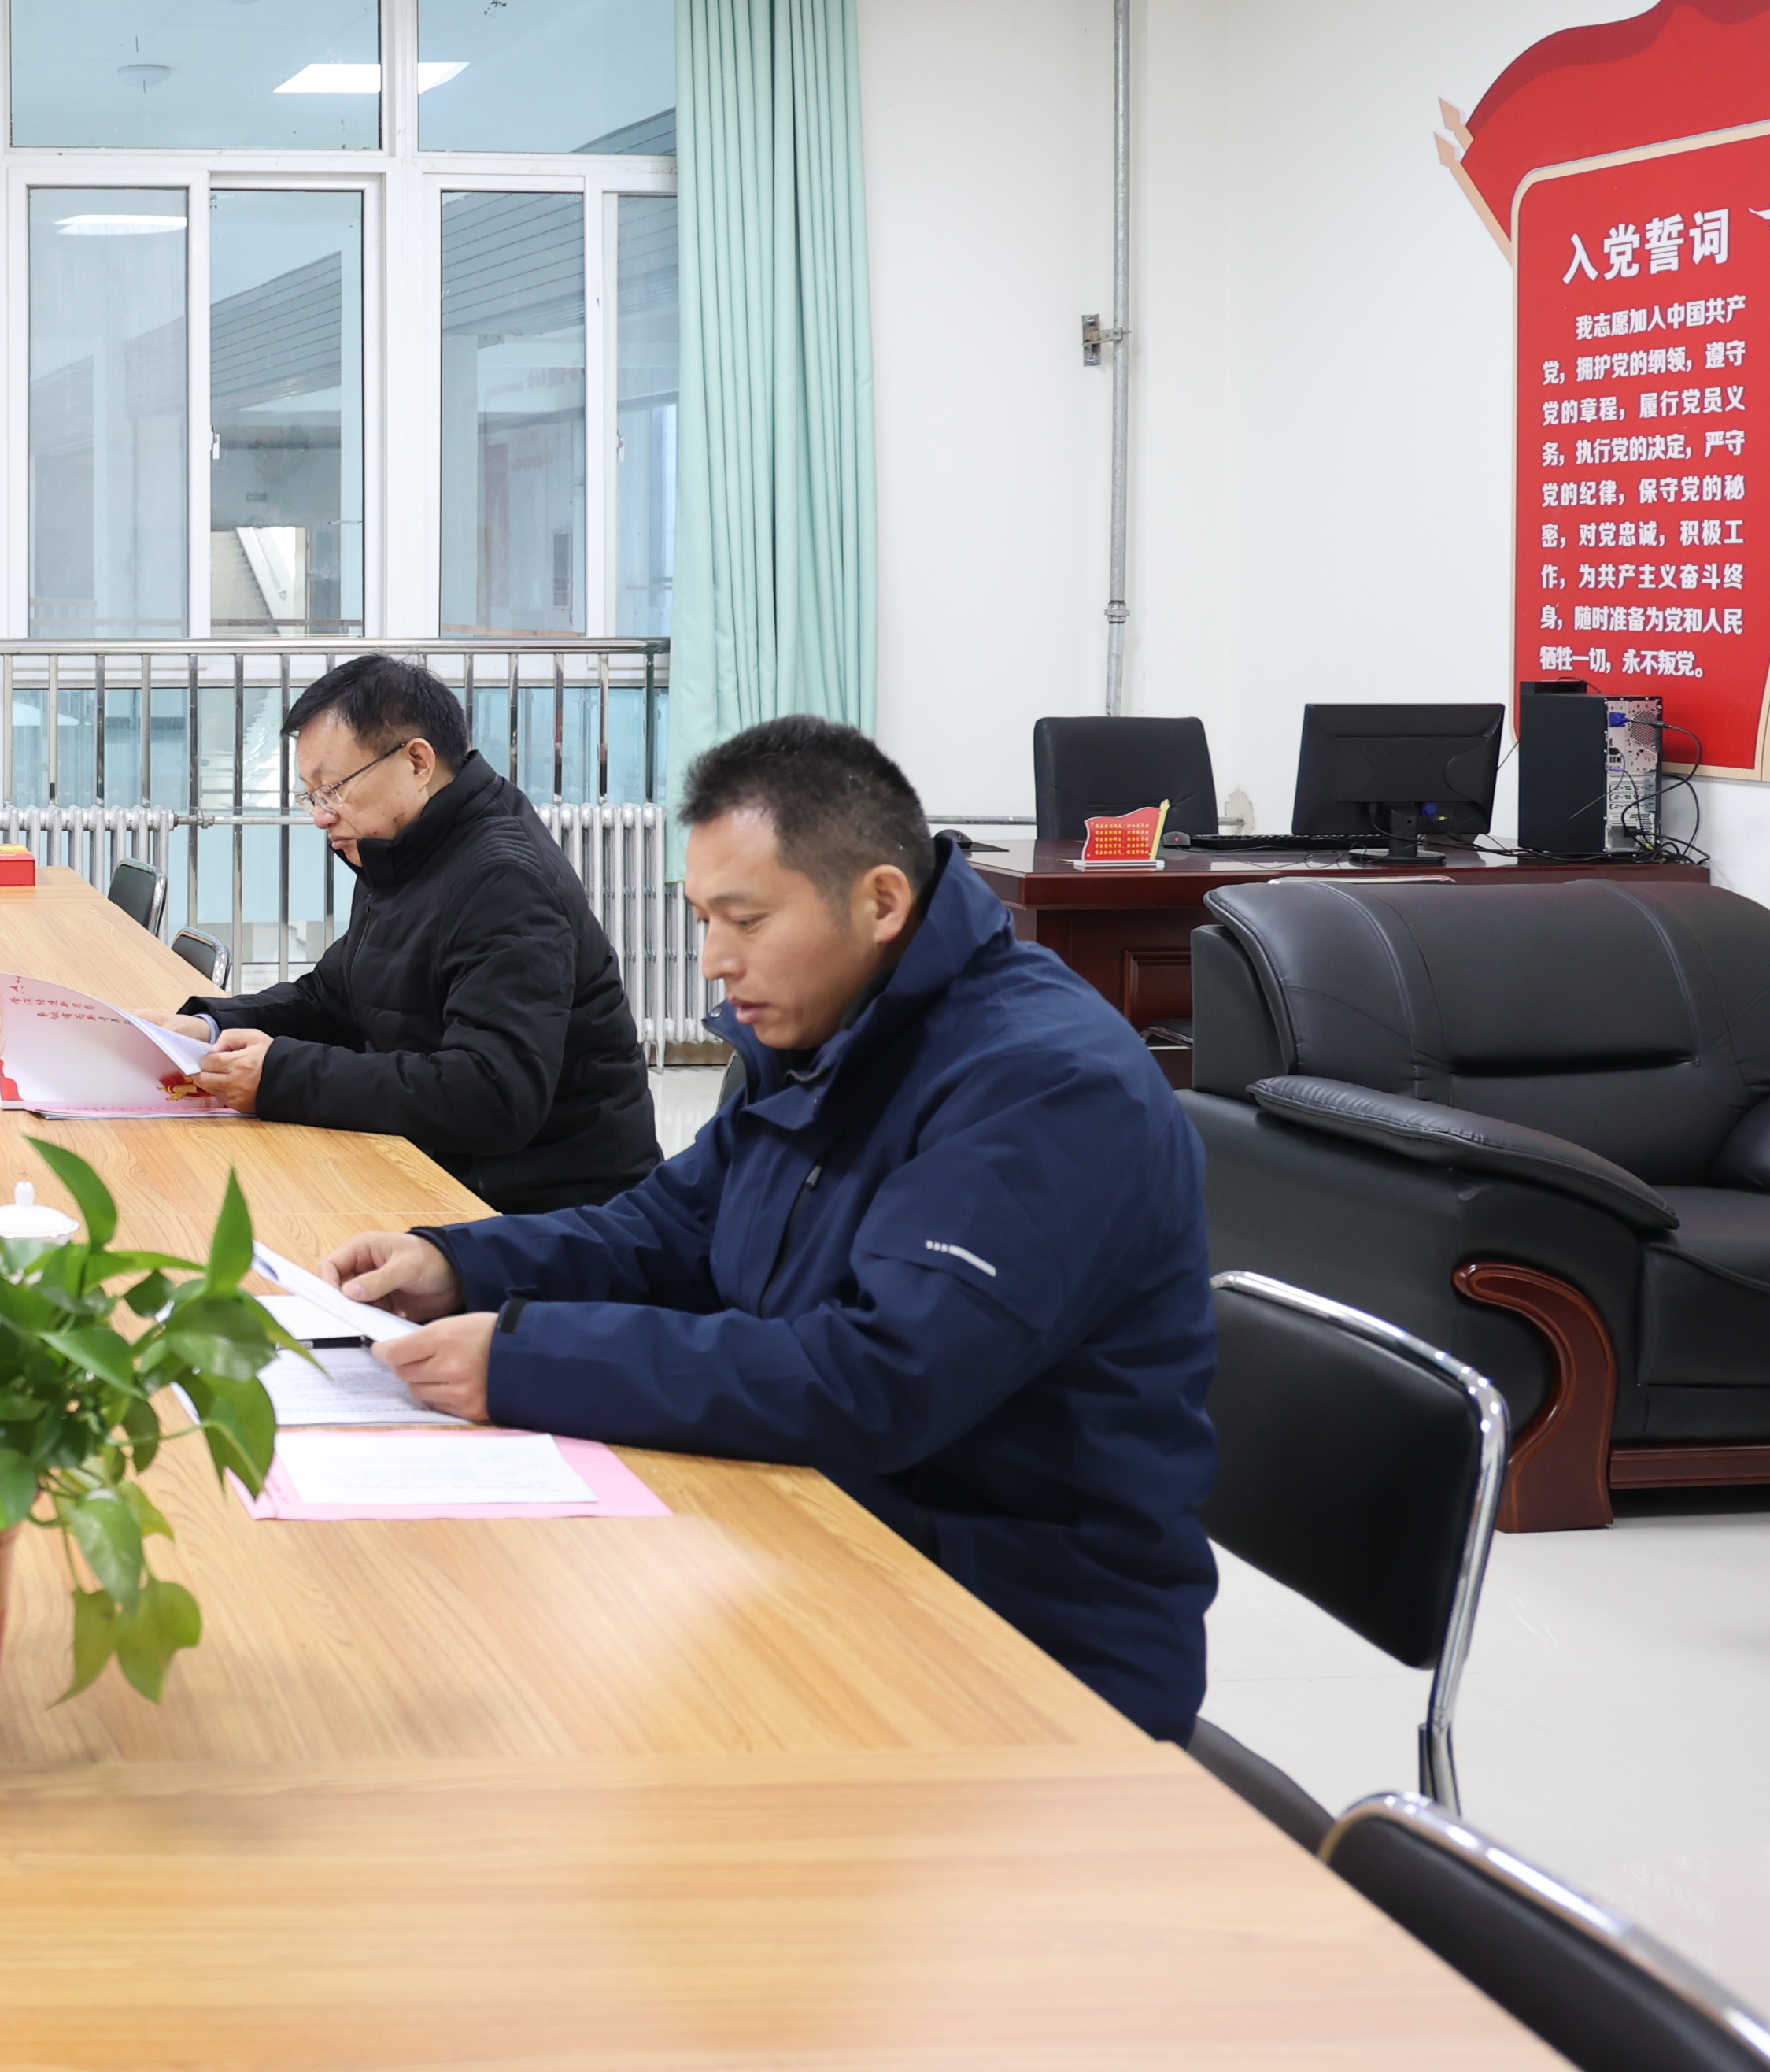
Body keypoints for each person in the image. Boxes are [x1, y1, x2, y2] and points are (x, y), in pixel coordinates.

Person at [318, 715, 1219, 1740]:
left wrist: (530, 1360)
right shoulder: (830, 1025)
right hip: (819, 1542)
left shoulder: (1044, 1086)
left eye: (744, 922)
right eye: (704, 919)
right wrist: (459, 1262)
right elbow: (675, 1226)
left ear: (882, 901)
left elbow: (880, 1377)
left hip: (1016, 1644)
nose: (714, 961)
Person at [173, 653, 658, 1212]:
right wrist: (207, 1029)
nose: (321, 816)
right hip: (442, 1171)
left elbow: (492, 1094)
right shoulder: (401, 848)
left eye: (333, 789)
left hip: (548, 1212)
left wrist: (281, 1075)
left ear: (418, 762)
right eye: (312, 795)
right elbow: (335, 999)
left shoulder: (504, 880)